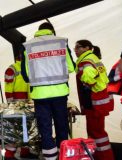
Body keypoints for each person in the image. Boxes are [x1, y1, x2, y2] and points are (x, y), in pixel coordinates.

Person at [21, 22, 75, 160]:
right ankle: (64, 155)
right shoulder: (62, 42)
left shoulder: (28, 46)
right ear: (51, 31)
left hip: (40, 95)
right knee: (61, 125)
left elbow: (26, 75)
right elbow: (72, 67)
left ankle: (50, 158)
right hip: (60, 93)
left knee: (45, 128)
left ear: (38, 31)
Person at [74, 40, 114, 160]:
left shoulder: (86, 60)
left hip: (94, 102)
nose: (75, 50)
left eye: (78, 47)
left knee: (96, 132)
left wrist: (87, 83)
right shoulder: (93, 58)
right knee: (97, 131)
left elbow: (89, 78)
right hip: (100, 101)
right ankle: (100, 155)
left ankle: (104, 157)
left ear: (87, 48)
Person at [4, 50, 31, 160]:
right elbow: (8, 86)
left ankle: (23, 151)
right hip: (20, 103)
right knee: (20, 128)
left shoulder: (24, 68)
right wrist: (11, 103)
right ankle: (10, 154)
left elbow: (8, 86)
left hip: (22, 103)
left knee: (24, 128)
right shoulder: (14, 68)